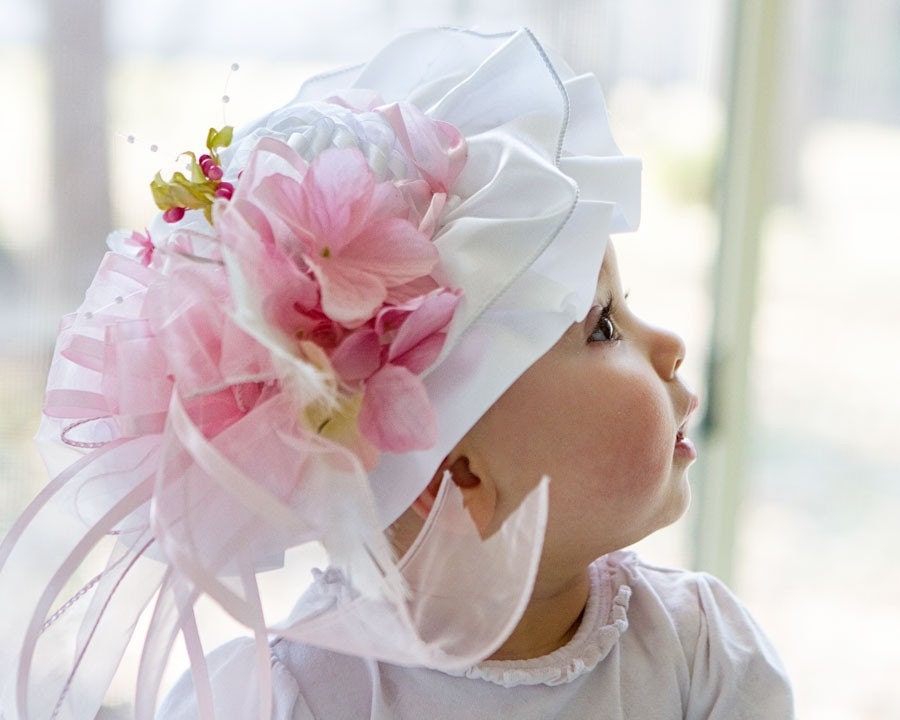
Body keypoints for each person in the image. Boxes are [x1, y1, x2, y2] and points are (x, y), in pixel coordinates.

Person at [0, 27, 794, 720]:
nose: (671, 346)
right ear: (453, 472)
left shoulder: (702, 659)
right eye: (605, 327)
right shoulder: (297, 701)